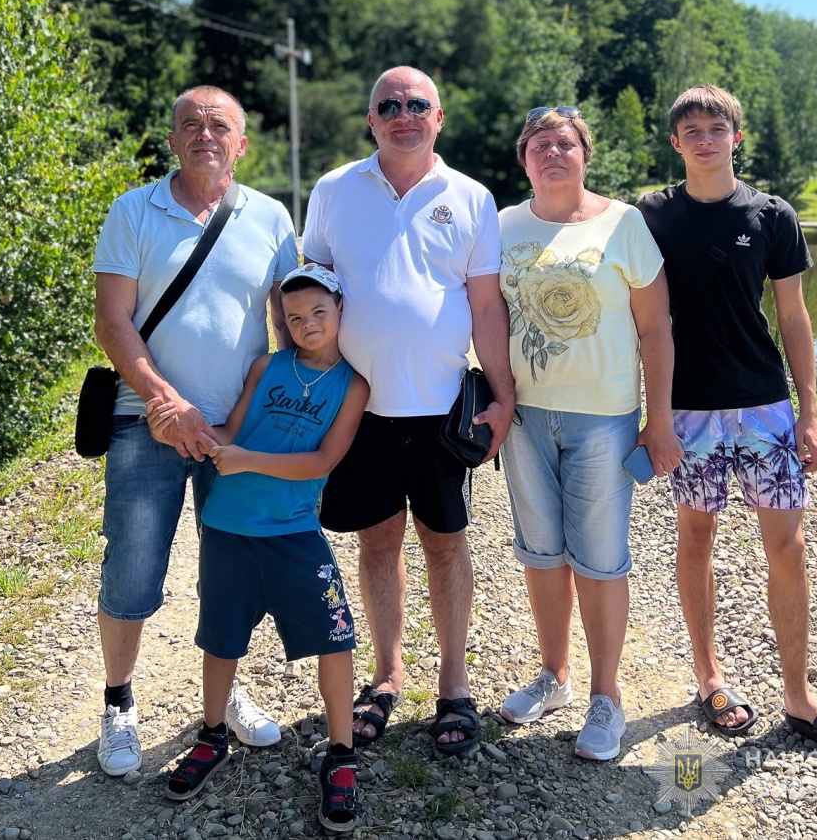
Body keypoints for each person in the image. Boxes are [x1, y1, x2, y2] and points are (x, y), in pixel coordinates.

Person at [639, 85, 817, 763]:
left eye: (717, 128)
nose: (705, 139)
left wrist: (810, 412)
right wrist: (653, 414)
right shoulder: (651, 215)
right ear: (676, 142)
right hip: (690, 408)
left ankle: (799, 693)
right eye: (692, 130)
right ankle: (709, 676)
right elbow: (636, 315)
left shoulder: (772, 215)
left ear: (736, 137)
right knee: (696, 538)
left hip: (764, 403)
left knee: (788, 546)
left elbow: (794, 317)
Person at [301, 66, 515, 755]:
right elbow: (309, 295)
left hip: (440, 408)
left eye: (417, 104)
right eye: (388, 104)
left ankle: (454, 686)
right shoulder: (334, 190)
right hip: (357, 406)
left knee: (445, 543)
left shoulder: (472, 197)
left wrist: (504, 394)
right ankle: (387, 675)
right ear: (371, 119)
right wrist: (303, 382)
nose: (403, 114)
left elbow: (487, 306)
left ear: (438, 117)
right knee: (377, 542)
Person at [92, 86, 298, 777]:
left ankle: (223, 691)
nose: (205, 134)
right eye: (191, 124)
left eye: (219, 125)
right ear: (173, 139)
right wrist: (167, 402)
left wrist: (267, 418)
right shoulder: (133, 211)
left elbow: (288, 326)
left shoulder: (270, 217)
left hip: (235, 432)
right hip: (143, 422)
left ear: (242, 144)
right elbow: (112, 321)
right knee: (132, 570)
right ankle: (118, 701)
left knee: (231, 571)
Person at [149, 265, 369, 833]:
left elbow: (322, 461)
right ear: (283, 322)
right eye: (294, 317)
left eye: (318, 312)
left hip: (294, 533)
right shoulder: (265, 367)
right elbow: (229, 433)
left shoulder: (354, 385)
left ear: (340, 311)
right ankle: (212, 736)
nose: (307, 324)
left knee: (335, 636)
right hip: (227, 525)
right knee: (220, 637)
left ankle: (341, 755)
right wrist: (181, 432)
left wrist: (247, 460)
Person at [496, 106, 679, 760]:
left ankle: (607, 696)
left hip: (604, 418)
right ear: (524, 159)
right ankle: (555, 676)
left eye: (565, 142)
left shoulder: (623, 223)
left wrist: (659, 419)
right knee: (541, 551)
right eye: (539, 144)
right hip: (524, 417)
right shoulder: (502, 226)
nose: (553, 152)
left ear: (585, 153)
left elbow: (656, 328)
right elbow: (486, 315)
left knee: (600, 557)